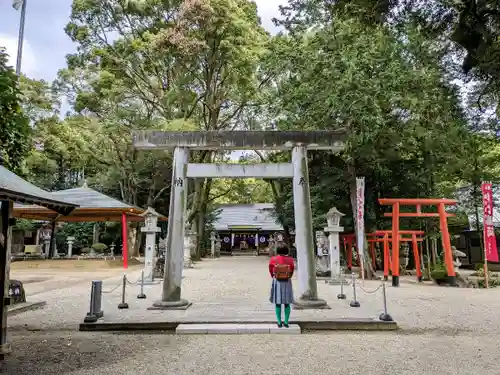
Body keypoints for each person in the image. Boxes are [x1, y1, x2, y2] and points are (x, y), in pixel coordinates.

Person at [269, 245, 294, 328]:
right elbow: (292, 269)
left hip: (277, 281)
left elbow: (270, 269)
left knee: (278, 302)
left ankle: (279, 322)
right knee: (287, 303)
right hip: (287, 280)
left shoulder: (273, 259)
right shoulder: (290, 259)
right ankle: (286, 322)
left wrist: (273, 276)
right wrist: (289, 276)